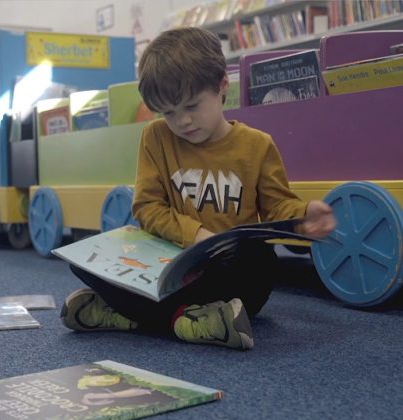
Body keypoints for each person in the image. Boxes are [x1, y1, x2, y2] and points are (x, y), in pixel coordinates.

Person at [60, 27, 336, 350]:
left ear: (222, 86)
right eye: (168, 112)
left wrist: (304, 216)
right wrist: (195, 236)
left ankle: (126, 314)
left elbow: (278, 209)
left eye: (191, 106)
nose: (182, 122)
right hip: (169, 266)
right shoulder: (155, 137)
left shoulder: (256, 145)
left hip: (228, 270)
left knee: (259, 259)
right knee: (84, 260)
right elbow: (147, 207)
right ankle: (192, 321)